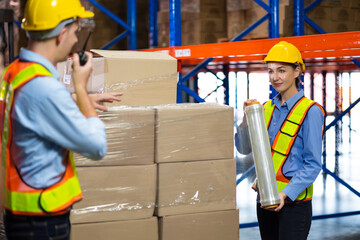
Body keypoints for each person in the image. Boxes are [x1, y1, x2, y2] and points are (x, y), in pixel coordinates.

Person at [0, 0, 120, 239]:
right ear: (62, 33)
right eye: (75, 32)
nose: (76, 40)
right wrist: (81, 88)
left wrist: (73, 99)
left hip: (22, 212)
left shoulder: (16, 71)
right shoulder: (44, 88)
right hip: (43, 219)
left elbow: (32, 109)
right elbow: (97, 147)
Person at [235, 41, 325, 240]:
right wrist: (245, 119)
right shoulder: (265, 108)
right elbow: (243, 149)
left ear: (297, 71)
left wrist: (285, 194)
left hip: (293, 204)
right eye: (270, 71)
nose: (275, 77)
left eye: (282, 70)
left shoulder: (311, 111)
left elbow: (312, 165)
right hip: (265, 200)